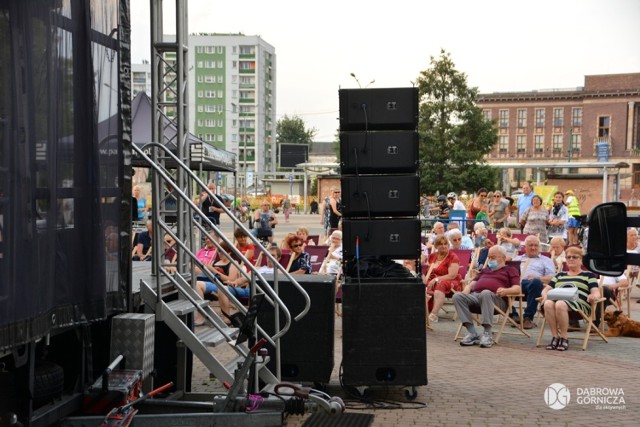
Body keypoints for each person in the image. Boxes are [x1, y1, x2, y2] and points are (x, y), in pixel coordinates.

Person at [452, 245, 521, 348]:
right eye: (489, 257)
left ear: (502, 257)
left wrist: (506, 291)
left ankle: (487, 334)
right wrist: (466, 291)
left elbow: (517, 289)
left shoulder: (510, 270)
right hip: (476, 298)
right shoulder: (485, 270)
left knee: (486, 293)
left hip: (497, 300)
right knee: (457, 296)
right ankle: (472, 333)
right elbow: (472, 284)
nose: (489, 259)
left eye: (493, 257)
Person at [540, 247, 601, 351]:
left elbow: (596, 291)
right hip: (558, 302)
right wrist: (545, 295)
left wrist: (593, 296)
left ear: (581, 260)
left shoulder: (588, 275)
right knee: (548, 303)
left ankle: (564, 337)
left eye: (574, 257)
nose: (571, 259)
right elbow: (546, 289)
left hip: (579, 305)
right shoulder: (560, 275)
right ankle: (555, 337)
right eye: (568, 257)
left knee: (560, 303)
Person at [512, 235, 556, 329]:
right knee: (499, 282)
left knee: (535, 282)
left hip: (533, 285)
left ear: (539, 247)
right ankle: (513, 315)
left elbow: (552, 278)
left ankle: (527, 317)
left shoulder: (546, 260)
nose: (533, 247)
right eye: (530, 245)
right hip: (515, 284)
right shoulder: (517, 259)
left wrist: (538, 278)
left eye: (536, 245)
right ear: (525, 247)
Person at [424, 235, 463, 323]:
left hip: (452, 282)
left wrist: (436, 279)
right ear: (436, 246)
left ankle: (434, 315)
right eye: (440, 244)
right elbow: (428, 271)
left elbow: (452, 275)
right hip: (434, 280)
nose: (443, 246)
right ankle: (423, 311)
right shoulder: (433, 256)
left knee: (440, 283)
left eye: (445, 244)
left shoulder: (452, 257)